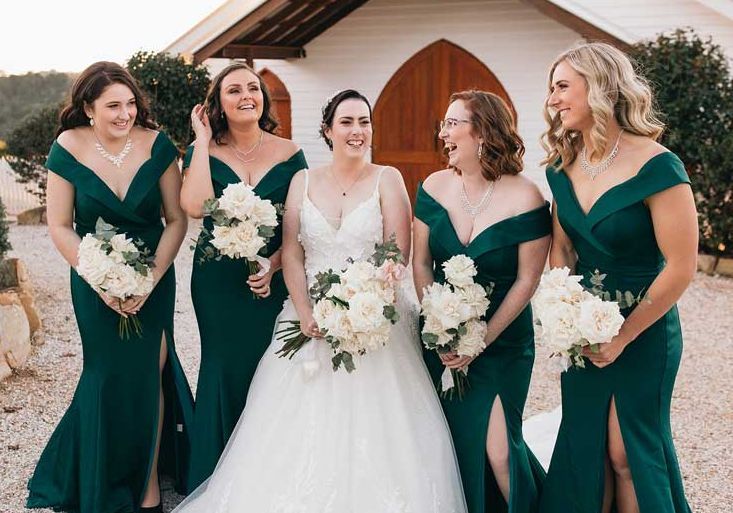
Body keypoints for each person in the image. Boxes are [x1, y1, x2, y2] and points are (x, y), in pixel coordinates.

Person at [173, 89, 467, 512]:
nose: (357, 131)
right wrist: (308, 312)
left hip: (374, 320)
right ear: (328, 131)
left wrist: (363, 306)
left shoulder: (388, 179)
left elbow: (395, 252)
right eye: (346, 122)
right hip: (305, 315)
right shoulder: (303, 180)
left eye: (364, 122)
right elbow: (292, 251)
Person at [27, 61, 192, 513]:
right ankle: (97, 470)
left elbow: (176, 219)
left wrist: (152, 277)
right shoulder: (67, 146)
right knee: (105, 374)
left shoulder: (158, 145)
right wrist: (99, 279)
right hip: (92, 277)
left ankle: (147, 488)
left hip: (154, 274)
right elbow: (60, 226)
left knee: (148, 372)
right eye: (113, 105)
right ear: (88, 107)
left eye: (131, 103)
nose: (125, 114)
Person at [538, 42, 697, 513]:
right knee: (590, 449)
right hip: (583, 332)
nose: (553, 100)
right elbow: (562, 250)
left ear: (601, 86)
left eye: (563, 86)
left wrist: (624, 335)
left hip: (645, 329)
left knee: (628, 451)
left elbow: (682, 266)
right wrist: (565, 314)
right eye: (551, 89)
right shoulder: (562, 168)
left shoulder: (658, 165)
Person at [414, 90, 550, 513]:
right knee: (454, 446)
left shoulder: (527, 196)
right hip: (442, 343)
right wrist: (438, 324)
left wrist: (482, 339)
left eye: (453, 123)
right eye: (445, 124)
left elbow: (528, 280)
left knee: (500, 452)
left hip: (503, 344)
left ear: (485, 133)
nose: (444, 133)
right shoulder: (433, 187)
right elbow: (419, 264)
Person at [179, 62, 307, 491]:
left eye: (253, 88)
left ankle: (269, 469)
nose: (246, 95)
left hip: (272, 276)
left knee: (271, 366)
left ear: (264, 98)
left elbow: (302, 224)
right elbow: (195, 206)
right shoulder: (206, 151)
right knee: (223, 365)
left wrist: (272, 265)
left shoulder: (290, 153)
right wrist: (199, 141)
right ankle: (214, 472)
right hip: (217, 279)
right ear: (218, 103)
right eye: (233, 90)